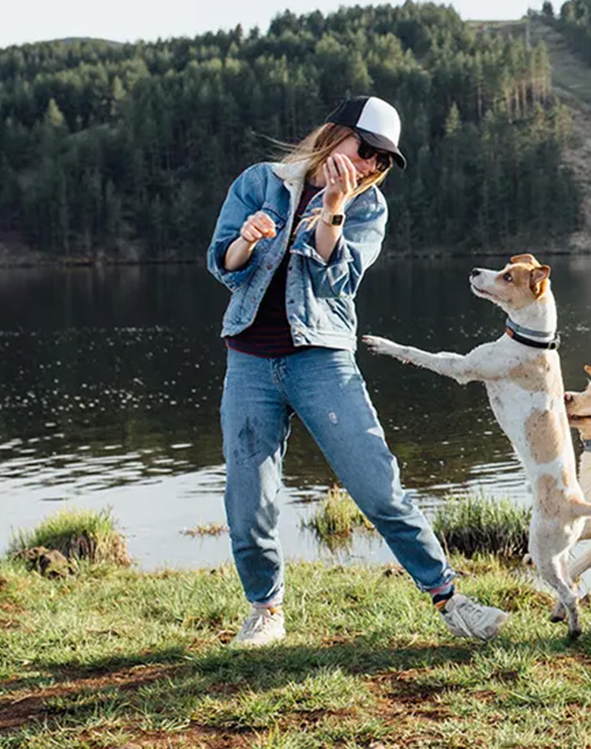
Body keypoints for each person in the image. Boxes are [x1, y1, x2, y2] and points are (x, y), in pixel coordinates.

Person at [206, 95, 509, 646]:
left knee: (377, 484)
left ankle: (449, 599)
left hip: (321, 360)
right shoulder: (258, 181)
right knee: (248, 497)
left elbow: (335, 280)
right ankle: (266, 611)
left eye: (383, 160)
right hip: (249, 357)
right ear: (335, 134)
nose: (371, 165)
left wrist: (334, 209)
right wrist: (246, 241)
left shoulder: (368, 208)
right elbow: (223, 266)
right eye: (366, 149)